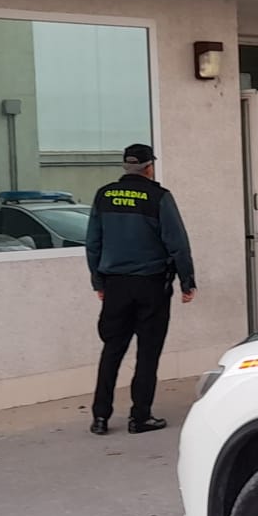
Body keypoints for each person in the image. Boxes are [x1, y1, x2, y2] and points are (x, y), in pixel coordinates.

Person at [86, 144, 196, 435]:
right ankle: (140, 417)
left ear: (126, 166)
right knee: (148, 353)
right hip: (151, 286)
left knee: (111, 351)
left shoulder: (104, 195)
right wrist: (187, 282)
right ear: (149, 167)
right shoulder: (158, 197)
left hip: (115, 285)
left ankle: (100, 417)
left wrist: (98, 282)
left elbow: (93, 243)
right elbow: (177, 243)